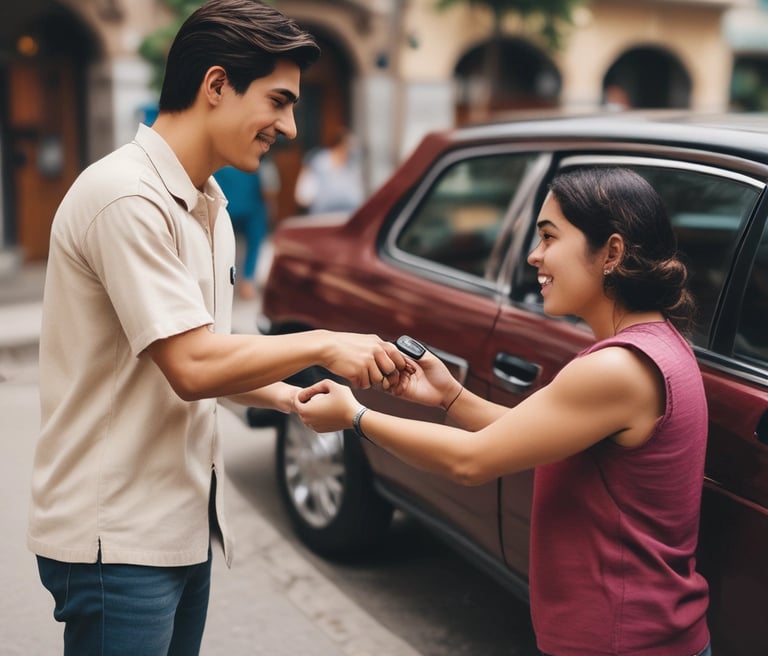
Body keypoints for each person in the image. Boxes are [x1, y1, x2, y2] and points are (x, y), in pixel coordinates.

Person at [27, 2, 407, 654]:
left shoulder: (209, 202)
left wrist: (287, 395)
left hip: (179, 523)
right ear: (215, 86)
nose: (290, 127)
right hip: (116, 535)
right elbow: (194, 366)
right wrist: (323, 344)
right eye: (279, 101)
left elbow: (209, 357)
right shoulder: (127, 196)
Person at [295, 167, 712, 656]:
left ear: (612, 254)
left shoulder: (618, 369)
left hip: (619, 642)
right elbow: (521, 436)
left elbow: (471, 461)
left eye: (549, 237)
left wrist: (354, 415)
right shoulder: (657, 348)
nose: (534, 256)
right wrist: (451, 398)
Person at [213, 162, 274, 299]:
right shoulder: (259, 163)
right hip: (247, 210)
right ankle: (248, 281)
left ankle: (220, 281)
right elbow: (268, 191)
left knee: (219, 243)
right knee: (255, 238)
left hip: (226, 210)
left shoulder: (219, 164)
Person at [294, 126, 364, 214]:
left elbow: (357, 194)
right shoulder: (320, 162)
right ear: (341, 145)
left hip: (348, 216)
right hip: (323, 218)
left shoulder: (352, 165)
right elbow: (304, 196)